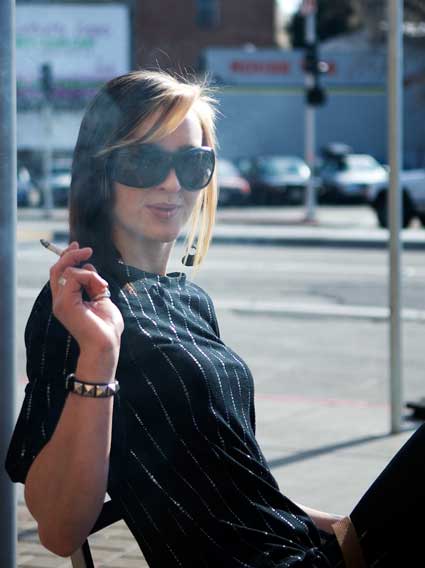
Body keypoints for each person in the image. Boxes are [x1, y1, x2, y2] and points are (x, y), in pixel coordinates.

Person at [5, 70, 425, 567]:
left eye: (192, 162)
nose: (170, 182)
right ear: (101, 172)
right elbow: (57, 529)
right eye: (143, 161)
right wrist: (99, 357)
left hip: (310, 552)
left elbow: (231, 488)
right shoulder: (79, 309)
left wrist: (340, 527)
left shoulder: (189, 301)